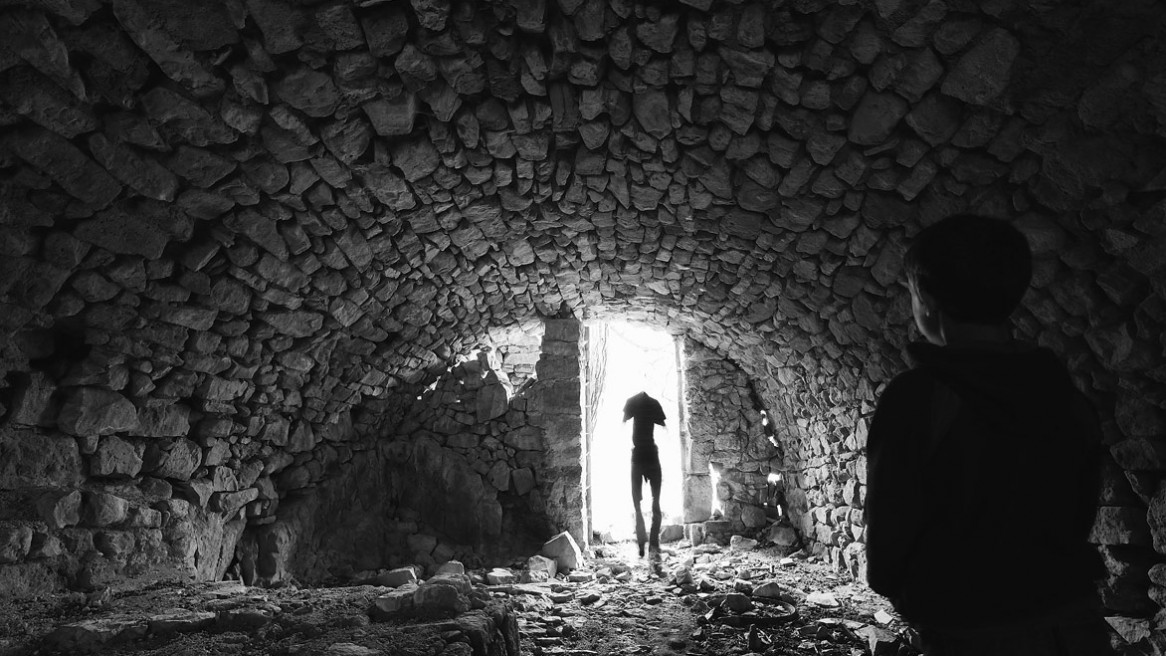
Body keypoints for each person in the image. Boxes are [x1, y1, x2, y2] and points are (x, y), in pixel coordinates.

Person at [864, 214, 1114, 656]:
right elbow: (1079, 512)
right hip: (1072, 622)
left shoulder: (918, 398)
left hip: (969, 627)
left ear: (925, 299)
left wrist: (909, 591)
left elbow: (889, 536)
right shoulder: (1062, 394)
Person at [623, 390, 666, 558]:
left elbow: (623, 422)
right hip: (652, 456)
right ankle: (653, 544)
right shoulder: (654, 404)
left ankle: (642, 544)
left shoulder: (631, 402)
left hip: (638, 457)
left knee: (637, 505)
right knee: (656, 503)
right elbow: (663, 425)